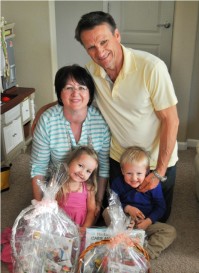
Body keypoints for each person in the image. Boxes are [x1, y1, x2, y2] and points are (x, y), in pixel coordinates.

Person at [75, 11, 179, 222]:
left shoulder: (152, 68)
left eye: (104, 41)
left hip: (156, 160)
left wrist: (158, 172)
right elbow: (73, 97)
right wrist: (44, 112)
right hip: (119, 158)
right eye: (91, 47)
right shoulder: (90, 72)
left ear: (117, 36)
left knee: (156, 220)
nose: (100, 52)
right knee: (114, 215)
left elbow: (171, 120)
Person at [30, 64, 110, 216]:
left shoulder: (101, 121)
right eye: (68, 88)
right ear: (60, 94)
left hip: (89, 191)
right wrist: (39, 204)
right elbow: (38, 167)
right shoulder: (47, 120)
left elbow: (104, 168)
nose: (75, 93)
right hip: (56, 190)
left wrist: (98, 202)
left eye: (82, 87)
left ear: (90, 93)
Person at [103, 146, 177, 259]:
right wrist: (127, 208)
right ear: (122, 170)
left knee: (170, 231)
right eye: (129, 173)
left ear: (146, 171)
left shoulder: (153, 185)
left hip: (144, 223)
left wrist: (148, 221)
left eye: (139, 173)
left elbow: (161, 207)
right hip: (123, 222)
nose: (134, 178)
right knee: (107, 211)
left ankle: (145, 253)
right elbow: (113, 203)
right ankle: (122, 242)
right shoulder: (117, 183)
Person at [57, 146, 99, 229]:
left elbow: (91, 211)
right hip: (59, 228)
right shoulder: (58, 185)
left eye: (88, 171)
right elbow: (50, 207)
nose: (82, 172)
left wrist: (84, 229)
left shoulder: (89, 188)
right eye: (80, 165)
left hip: (80, 228)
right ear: (70, 161)